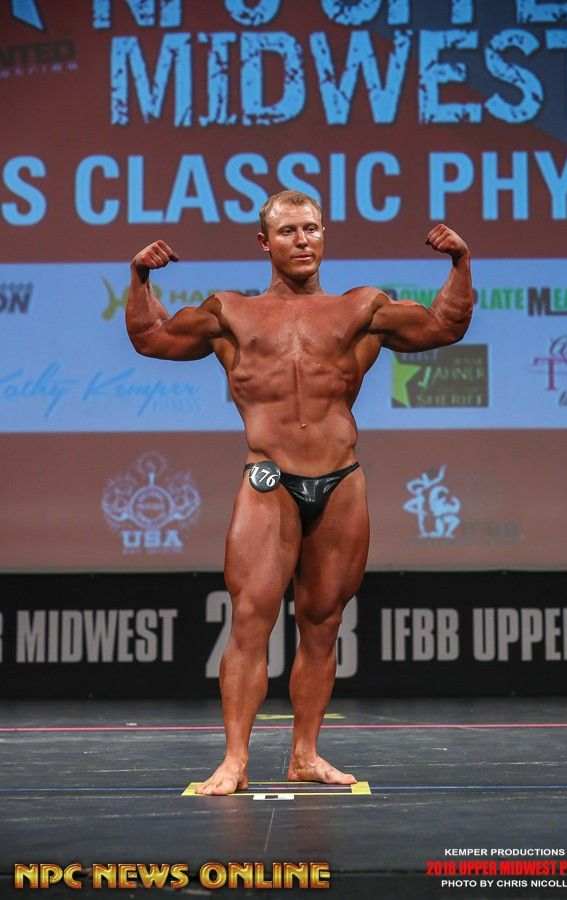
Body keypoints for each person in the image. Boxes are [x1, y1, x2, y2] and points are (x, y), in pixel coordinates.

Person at [126, 189, 474, 795]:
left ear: (324, 234)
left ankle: (305, 755)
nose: (302, 240)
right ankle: (234, 761)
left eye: (311, 228)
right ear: (265, 243)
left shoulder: (361, 308)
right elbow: (152, 337)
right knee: (250, 620)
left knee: (322, 623)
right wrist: (139, 279)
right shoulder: (231, 313)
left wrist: (460, 264)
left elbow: (446, 325)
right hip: (269, 480)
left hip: (341, 480)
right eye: (288, 231)